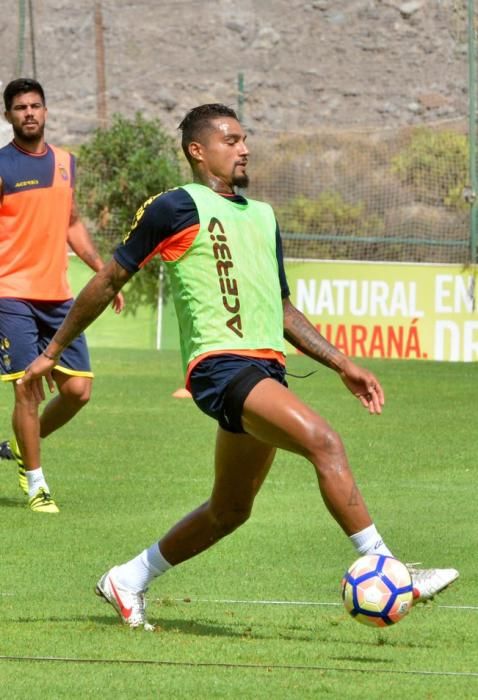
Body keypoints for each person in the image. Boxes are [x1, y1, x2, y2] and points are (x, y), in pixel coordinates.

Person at [20, 103, 458, 627]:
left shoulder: (263, 216)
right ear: (197, 150)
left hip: (264, 371)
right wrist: (51, 353)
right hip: (221, 368)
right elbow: (108, 280)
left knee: (230, 510)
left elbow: (282, 307)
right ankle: (391, 567)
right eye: (231, 140)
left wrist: (342, 363)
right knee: (325, 441)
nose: (244, 148)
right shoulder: (175, 207)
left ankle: (127, 578)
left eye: (245, 139)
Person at [0, 78, 124, 514]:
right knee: (28, 388)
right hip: (10, 293)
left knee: (76, 392)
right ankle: (36, 484)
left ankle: (18, 445)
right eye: (20, 108)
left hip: (58, 297)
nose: (29, 113)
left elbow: (71, 222)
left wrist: (102, 271)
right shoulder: (0, 167)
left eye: (35, 106)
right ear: (8, 116)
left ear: (46, 112)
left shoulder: (67, 163)